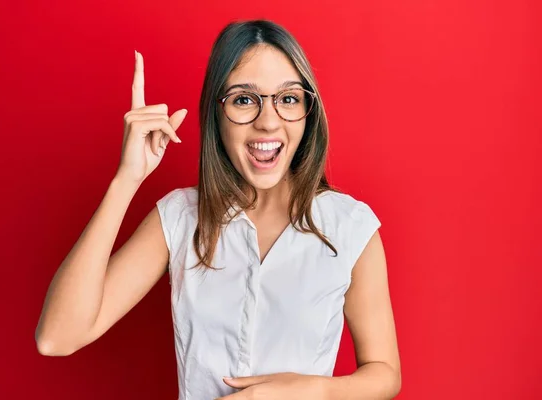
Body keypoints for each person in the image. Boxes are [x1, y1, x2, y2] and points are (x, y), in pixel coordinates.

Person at [35, 19, 401, 400]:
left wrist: (304, 391)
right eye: (244, 100)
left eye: (288, 99)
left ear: (308, 112)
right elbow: (57, 337)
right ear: (216, 113)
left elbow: (385, 373)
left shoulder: (350, 227)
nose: (268, 121)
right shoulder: (180, 218)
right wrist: (127, 179)